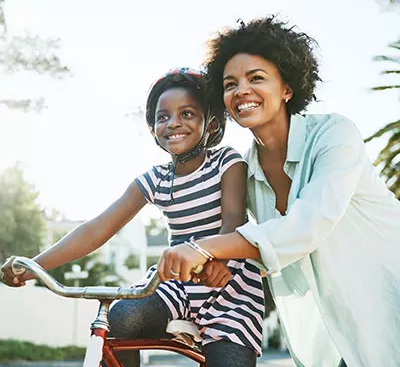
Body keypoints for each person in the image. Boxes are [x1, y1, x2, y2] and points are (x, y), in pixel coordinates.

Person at [155, 18, 400, 367]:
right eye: (229, 84)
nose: (241, 90)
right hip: (342, 328)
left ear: (287, 87)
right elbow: (257, 246)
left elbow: (305, 228)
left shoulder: (334, 136)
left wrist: (202, 249)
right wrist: (218, 261)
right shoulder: (245, 172)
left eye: (256, 78)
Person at [0, 68, 264, 367]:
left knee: (229, 360)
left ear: (210, 124)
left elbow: (234, 218)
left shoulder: (226, 161)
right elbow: (96, 229)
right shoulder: (155, 180)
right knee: (121, 318)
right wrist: (35, 267)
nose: (173, 122)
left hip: (229, 288)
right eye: (162, 117)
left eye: (187, 114)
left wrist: (219, 260)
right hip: (177, 285)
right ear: (153, 129)